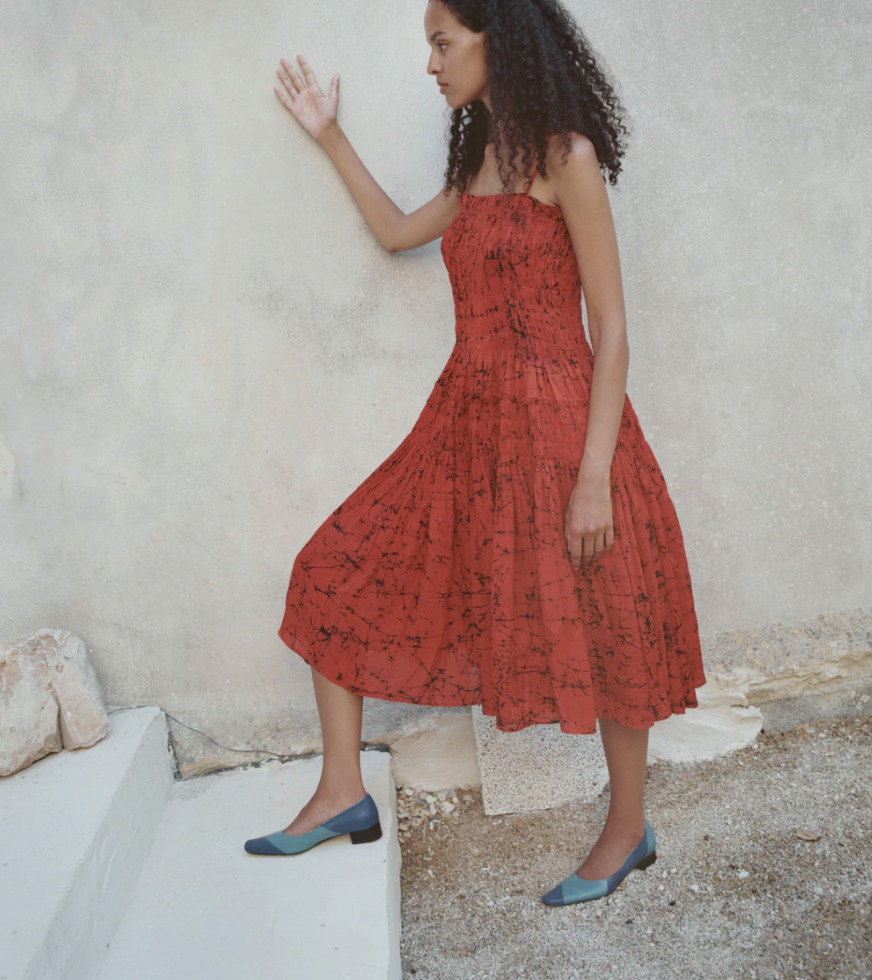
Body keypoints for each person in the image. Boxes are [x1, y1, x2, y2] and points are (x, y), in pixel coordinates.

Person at [245, 0, 707, 907]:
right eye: (430, 45)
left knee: (613, 618)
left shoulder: (568, 157)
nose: (431, 64)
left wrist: (591, 476)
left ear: (505, 42)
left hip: (565, 426)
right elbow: (393, 233)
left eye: (443, 43)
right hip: (466, 427)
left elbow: (612, 328)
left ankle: (627, 830)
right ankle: (343, 793)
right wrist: (330, 134)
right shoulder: (477, 162)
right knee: (333, 570)